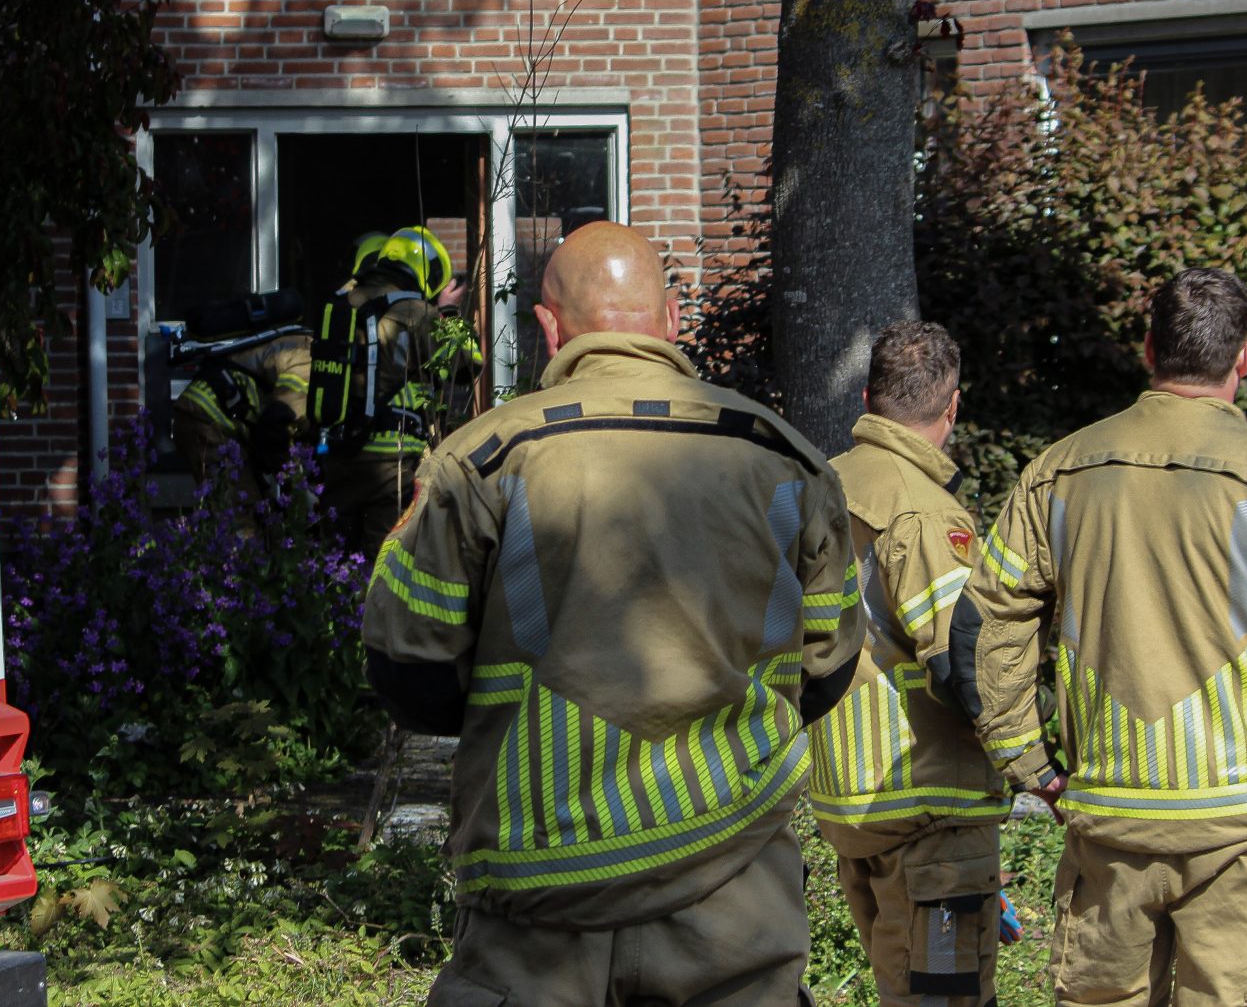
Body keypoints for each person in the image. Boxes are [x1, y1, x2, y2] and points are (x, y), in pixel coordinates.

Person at [361, 221, 865, 1006]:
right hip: (736, 912)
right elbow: (827, 674)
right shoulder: (788, 461)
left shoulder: (483, 458)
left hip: (537, 912)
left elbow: (407, 672)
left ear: (549, 326)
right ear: (670, 321)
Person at [950, 268, 1247, 1007]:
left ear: (1148, 348)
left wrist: (1026, 758)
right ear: (1245, 357)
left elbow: (984, 622)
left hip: (1109, 818)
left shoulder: (1057, 472)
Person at [811, 321, 1009, 1007]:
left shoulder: (819, 488)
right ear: (952, 406)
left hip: (852, 801)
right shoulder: (925, 513)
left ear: (867, 396)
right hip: (929, 811)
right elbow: (965, 663)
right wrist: (1032, 760)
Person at [314, 225, 481, 556]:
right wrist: (446, 311)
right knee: (385, 561)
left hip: (337, 453)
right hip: (391, 462)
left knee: (333, 560)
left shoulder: (343, 302)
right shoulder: (415, 313)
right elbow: (469, 364)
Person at [172, 327, 312, 497]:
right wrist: (297, 487)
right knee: (238, 511)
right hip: (209, 418)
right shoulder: (308, 362)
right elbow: (277, 430)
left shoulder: (302, 346)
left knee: (253, 507)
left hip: (215, 413)